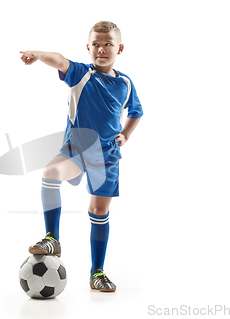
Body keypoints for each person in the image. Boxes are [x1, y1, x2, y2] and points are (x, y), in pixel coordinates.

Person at [19, 21, 143, 292]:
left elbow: (136, 112)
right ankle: (52, 237)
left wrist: (126, 135)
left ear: (119, 48)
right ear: (88, 47)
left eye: (108, 44)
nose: (101, 49)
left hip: (107, 159)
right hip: (76, 151)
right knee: (50, 172)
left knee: (99, 211)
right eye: (96, 44)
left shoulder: (125, 83)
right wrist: (39, 55)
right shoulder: (80, 74)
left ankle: (97, 272)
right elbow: (60, 60)